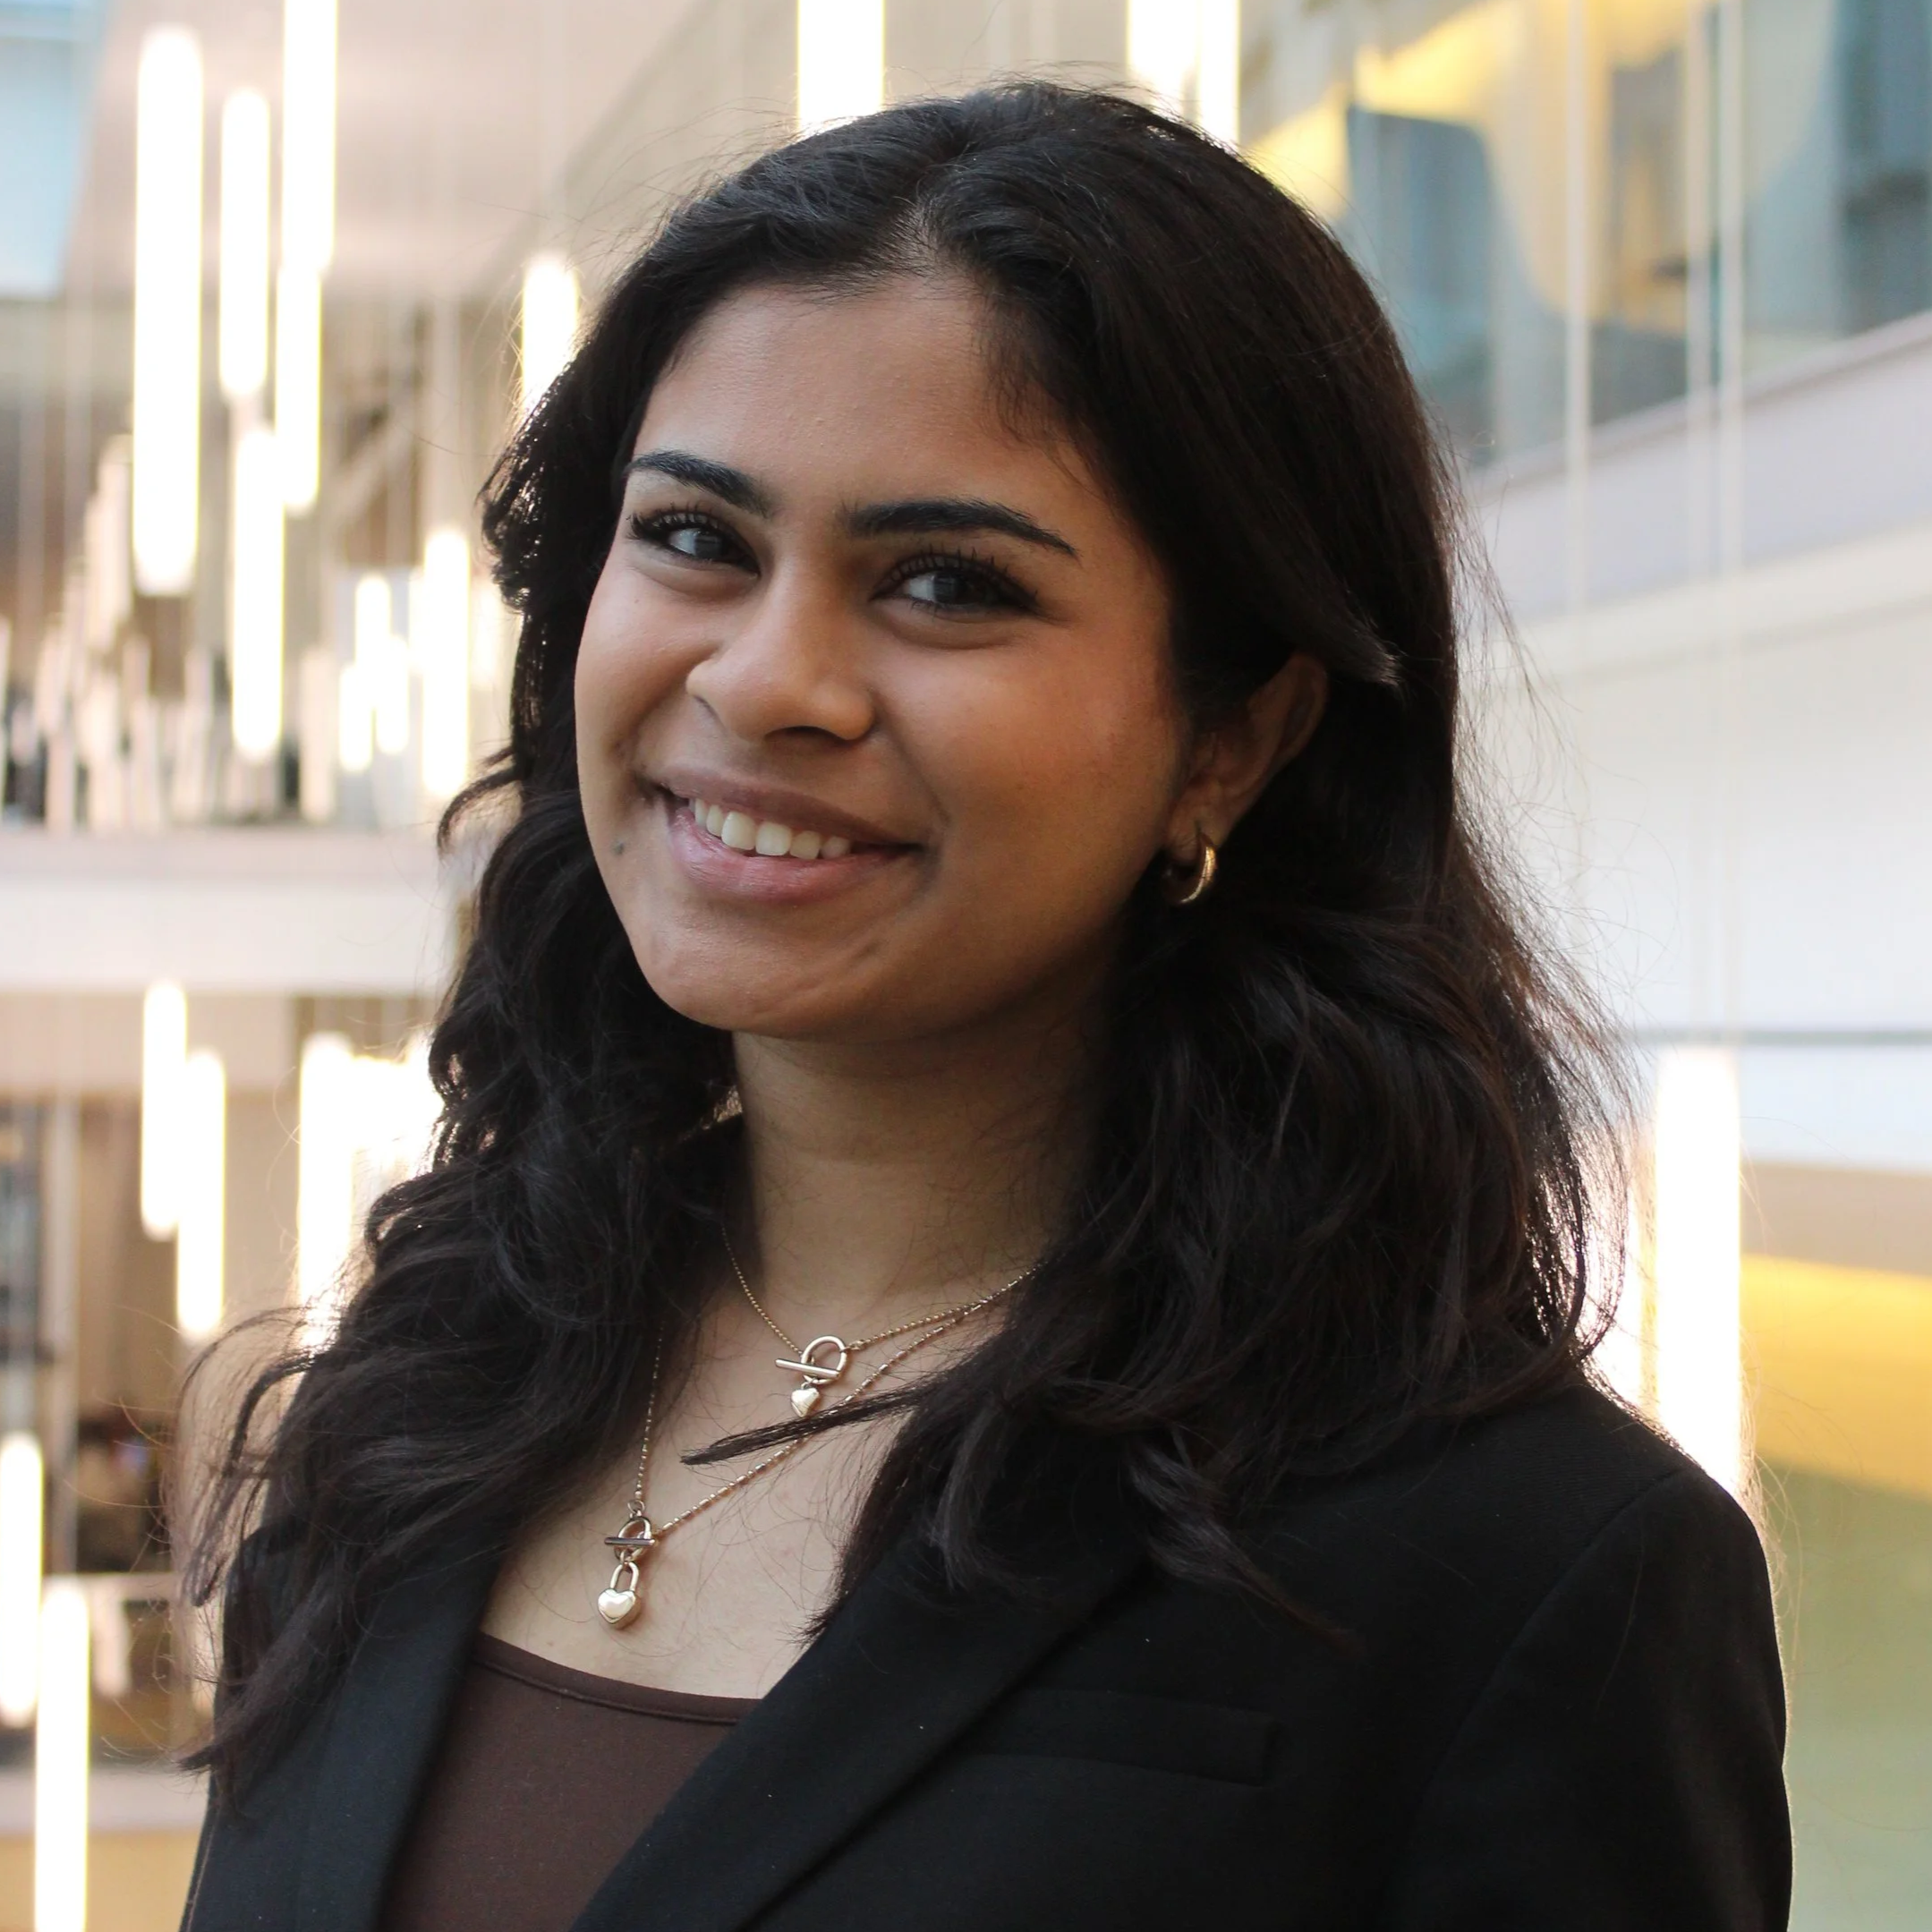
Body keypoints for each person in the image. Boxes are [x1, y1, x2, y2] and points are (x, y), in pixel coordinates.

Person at [178, 83, 1790, 1932]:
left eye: (946, 583)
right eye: (696, 538)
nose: (767, 679)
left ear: (1234, 733)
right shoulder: (416, 1394)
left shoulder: (1521, 1570)